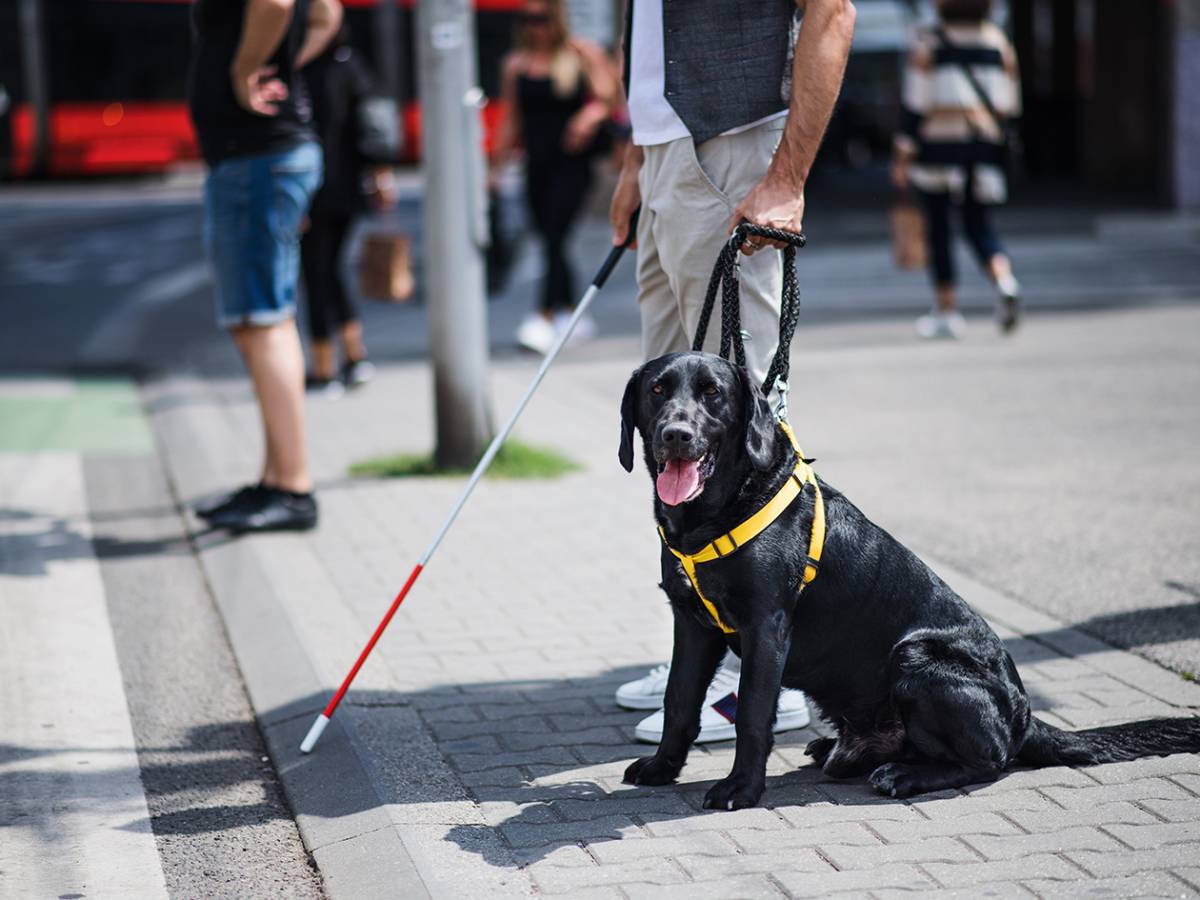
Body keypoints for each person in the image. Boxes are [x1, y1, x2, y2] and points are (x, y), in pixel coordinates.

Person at [607, 0, 857, 743]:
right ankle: (702, 644)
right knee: (673, 430)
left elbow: (831, 9)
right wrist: (639, 157)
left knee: (737, 426)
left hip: (733, 146)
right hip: (667, 156)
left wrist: (786, 175)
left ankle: (762, 673)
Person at [188, 0, 342, 532]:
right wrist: (280, 60)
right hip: (259, 154)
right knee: (260, 321)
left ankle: (293, 487)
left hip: (255, 154)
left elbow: (277, 3)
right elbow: (325, 13)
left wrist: (243, 67)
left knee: (264, 320)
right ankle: (277, 478)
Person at [491, 0, 619, 354]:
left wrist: (588, 116)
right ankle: (569, 314)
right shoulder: (515, 63)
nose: (536, 27)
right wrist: (495, 167)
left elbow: (611, 97)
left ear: (557, 19)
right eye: (528, 19)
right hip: (536, 163)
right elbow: (511, 116)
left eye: (542, 19)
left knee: (554, 232)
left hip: (573, 163)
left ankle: (544, 316)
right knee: (550, 238)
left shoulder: (579, 54)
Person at [891, 0, 1022, 339]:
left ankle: (947, 310)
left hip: (938, 148)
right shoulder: (998, 41)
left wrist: (903, 156)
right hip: (982, 149)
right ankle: (1004, 279)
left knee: (939, 229)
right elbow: (1010, 105)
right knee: (978, 223)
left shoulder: (927, 40)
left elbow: (916, 105)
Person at [300, 25, 392, 398]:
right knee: (330, 270)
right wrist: (381, 175)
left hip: (313, 189)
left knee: (317, 273)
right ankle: (354, 357)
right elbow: (372, 126)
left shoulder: (300, 70)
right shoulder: (351, 64)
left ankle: (325, 368)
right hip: (346, 189)